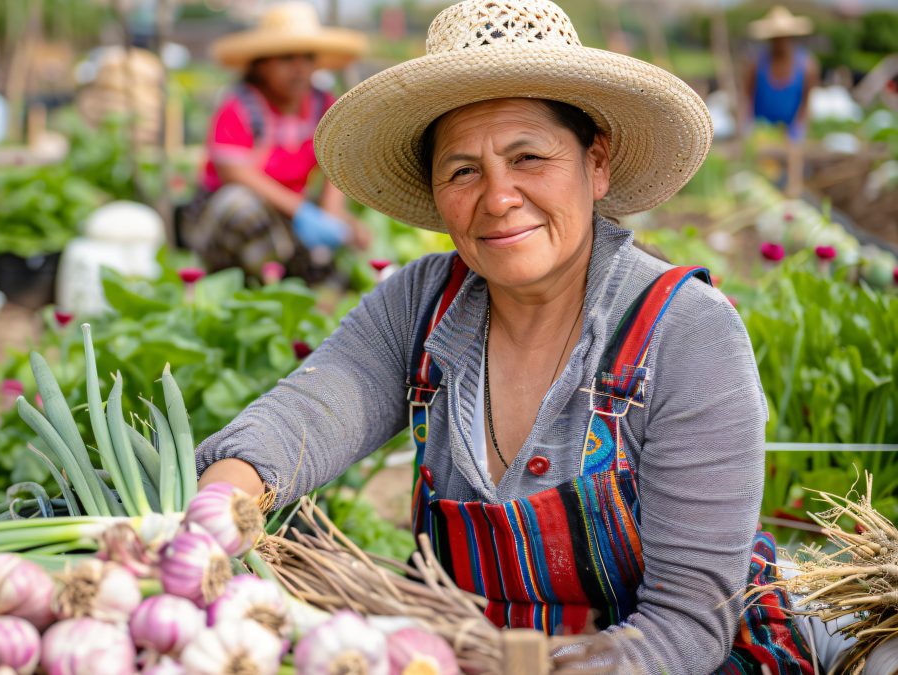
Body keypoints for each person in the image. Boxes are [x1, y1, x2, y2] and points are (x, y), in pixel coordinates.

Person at [197, 0, 813, 672]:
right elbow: (300, 422)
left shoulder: (686, 332)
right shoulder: (421, 304)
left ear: (596, 162)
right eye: (463, 170)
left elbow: (686, 622)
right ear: (436, 193)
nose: (498, 198)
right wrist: (211, 512)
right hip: (469, 653)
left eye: (529, 157)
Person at [181, 2, 370, 284]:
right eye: (286, 58)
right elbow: (234, 173)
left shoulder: (322, 105)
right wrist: (303, 212)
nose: (298, 68)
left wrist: (332, 214)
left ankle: (310, 286)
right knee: (241, 207)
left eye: (306, 58)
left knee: (354, 230)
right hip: (230, 223)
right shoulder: (240, 107)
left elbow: (335, 160)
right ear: (260, 65)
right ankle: (262, 285)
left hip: (286, 214)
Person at [742, 6, 819, 196]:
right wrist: (747, 126)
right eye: (775, 38)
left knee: (792, 166)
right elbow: (746, 97)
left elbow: (806, 102)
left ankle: (793, 191)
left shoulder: (806, 66)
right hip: (762, 128)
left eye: (783, 37)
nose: (779, 42)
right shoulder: (757, 64)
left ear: (791, 38)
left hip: (789, 129)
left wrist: (797, 130)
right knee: (760, 175)